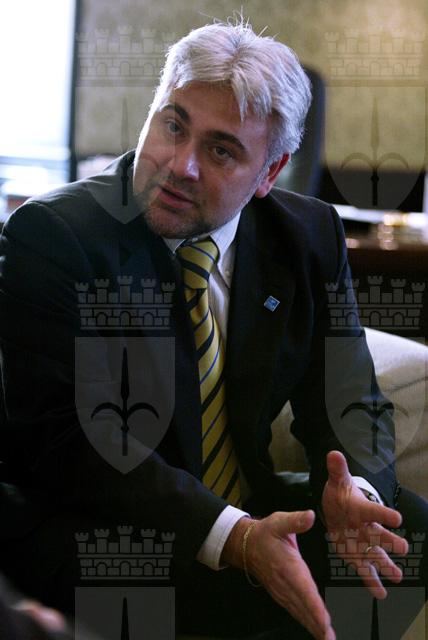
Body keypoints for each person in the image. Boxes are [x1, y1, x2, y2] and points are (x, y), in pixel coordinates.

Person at [0, 17, 427, 640]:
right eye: (173, 125)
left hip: (239, 503)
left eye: (221, 150)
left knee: (402, 533)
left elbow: (348, 394)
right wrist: (236, 537)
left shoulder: (306, 235)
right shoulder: (55, 236)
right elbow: (69, 444)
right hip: (96, 522)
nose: (182, 165)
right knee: (204, 587)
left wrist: (354, 491)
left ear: (270, 173)